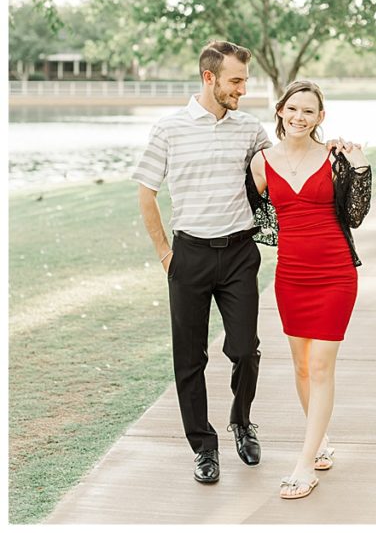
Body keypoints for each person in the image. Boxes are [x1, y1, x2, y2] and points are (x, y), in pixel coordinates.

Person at [133, 41, 270, 484]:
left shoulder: (250, 128)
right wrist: (165, 255)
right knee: (189, 359)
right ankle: (203, 447)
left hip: (238, 254)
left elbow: (277, 171)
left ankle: (241, 421)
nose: (242, 89)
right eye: (235, 81)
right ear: (209, 78)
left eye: (245, 81)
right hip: (188, 255)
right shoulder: (169, 128)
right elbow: (146, 192)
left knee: (245, 349)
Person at [249, 80, 371, 500]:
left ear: (321, 118)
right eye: (293, 109)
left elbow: (354, 216)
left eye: (309, 111)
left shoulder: (335, 158)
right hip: (291, 275)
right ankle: (320, 443)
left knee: (320, 365)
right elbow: (254, 217)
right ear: (280, 110)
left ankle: (304, 463)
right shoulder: (261, 163)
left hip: (336, 272)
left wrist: (359, 167)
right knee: (301, 366)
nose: (300, 117)